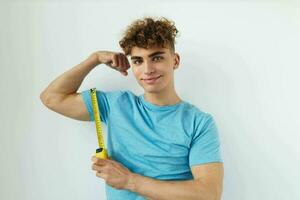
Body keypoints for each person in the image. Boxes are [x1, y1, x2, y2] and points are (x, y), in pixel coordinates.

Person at [40, 16, 224, 200]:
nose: (148, 69)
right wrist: (94, 58)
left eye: (157, 58)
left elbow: (209, 194)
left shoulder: (199, 123)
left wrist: (129, 181)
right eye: (138, 61)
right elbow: (52, 98)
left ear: (175, 61)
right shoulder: (115, 105)